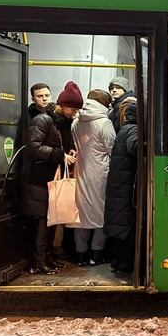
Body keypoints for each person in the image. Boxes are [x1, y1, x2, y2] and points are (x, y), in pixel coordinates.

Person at [20, 81, 82, 274]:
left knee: (51, 219)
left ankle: (47, 257)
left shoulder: (61, 121)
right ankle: (38, 261)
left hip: (50, 177)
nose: (75, 113)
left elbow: (60, 143)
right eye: (73, 109)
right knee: (42, 221)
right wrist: (59, 155)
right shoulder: (42, 120)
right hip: (38, 178)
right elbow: (34, 147)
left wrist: (69, 149)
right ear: (62, 106)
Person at [71, 89, 116, 266]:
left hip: (80, 172)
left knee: (80, 216)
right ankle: (96, 255)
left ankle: (80, 254)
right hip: (100, 174)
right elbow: (112, 148)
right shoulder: (104, 123)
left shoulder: (76, 122)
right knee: (100, 215)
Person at [105, 98, 138, 276]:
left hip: (119, 185)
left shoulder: (124, 128)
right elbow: (135, 147)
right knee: (127, 227)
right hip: (125, 187)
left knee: (120, 227)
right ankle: (124, 265)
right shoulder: (133, 129)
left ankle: (117, 263)